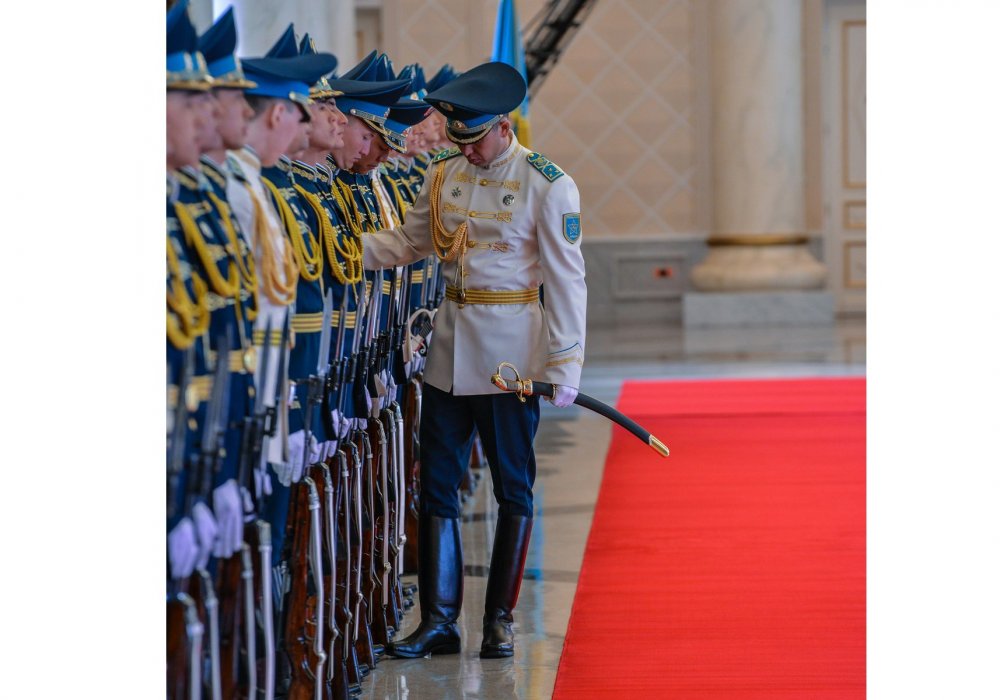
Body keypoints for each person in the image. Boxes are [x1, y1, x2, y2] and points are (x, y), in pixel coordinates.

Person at [360, 61, 587, 659]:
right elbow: (407, 244)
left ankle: (500, 622)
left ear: (504, 126)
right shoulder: (443, 174)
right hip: (449, 350)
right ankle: (438, 620)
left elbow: (567, 283)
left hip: (511, 359)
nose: (469, 152)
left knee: (514, 487)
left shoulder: (548, 182)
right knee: (436, 486)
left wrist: (564, 366)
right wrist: (335, 252)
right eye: (459, 141)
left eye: (477, 139)